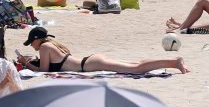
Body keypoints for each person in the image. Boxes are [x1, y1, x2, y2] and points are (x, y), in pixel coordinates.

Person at [19, 26, 187, 75]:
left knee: (134, 69)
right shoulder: (52, 44)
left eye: (31, 43)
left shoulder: (44, 47)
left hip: (90, 64)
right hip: (90, 60)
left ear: (36, 40)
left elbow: (44, 70)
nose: (32, 46)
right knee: (134, 64)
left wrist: (27, 64)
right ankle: (173, 62)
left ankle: (174, 63)